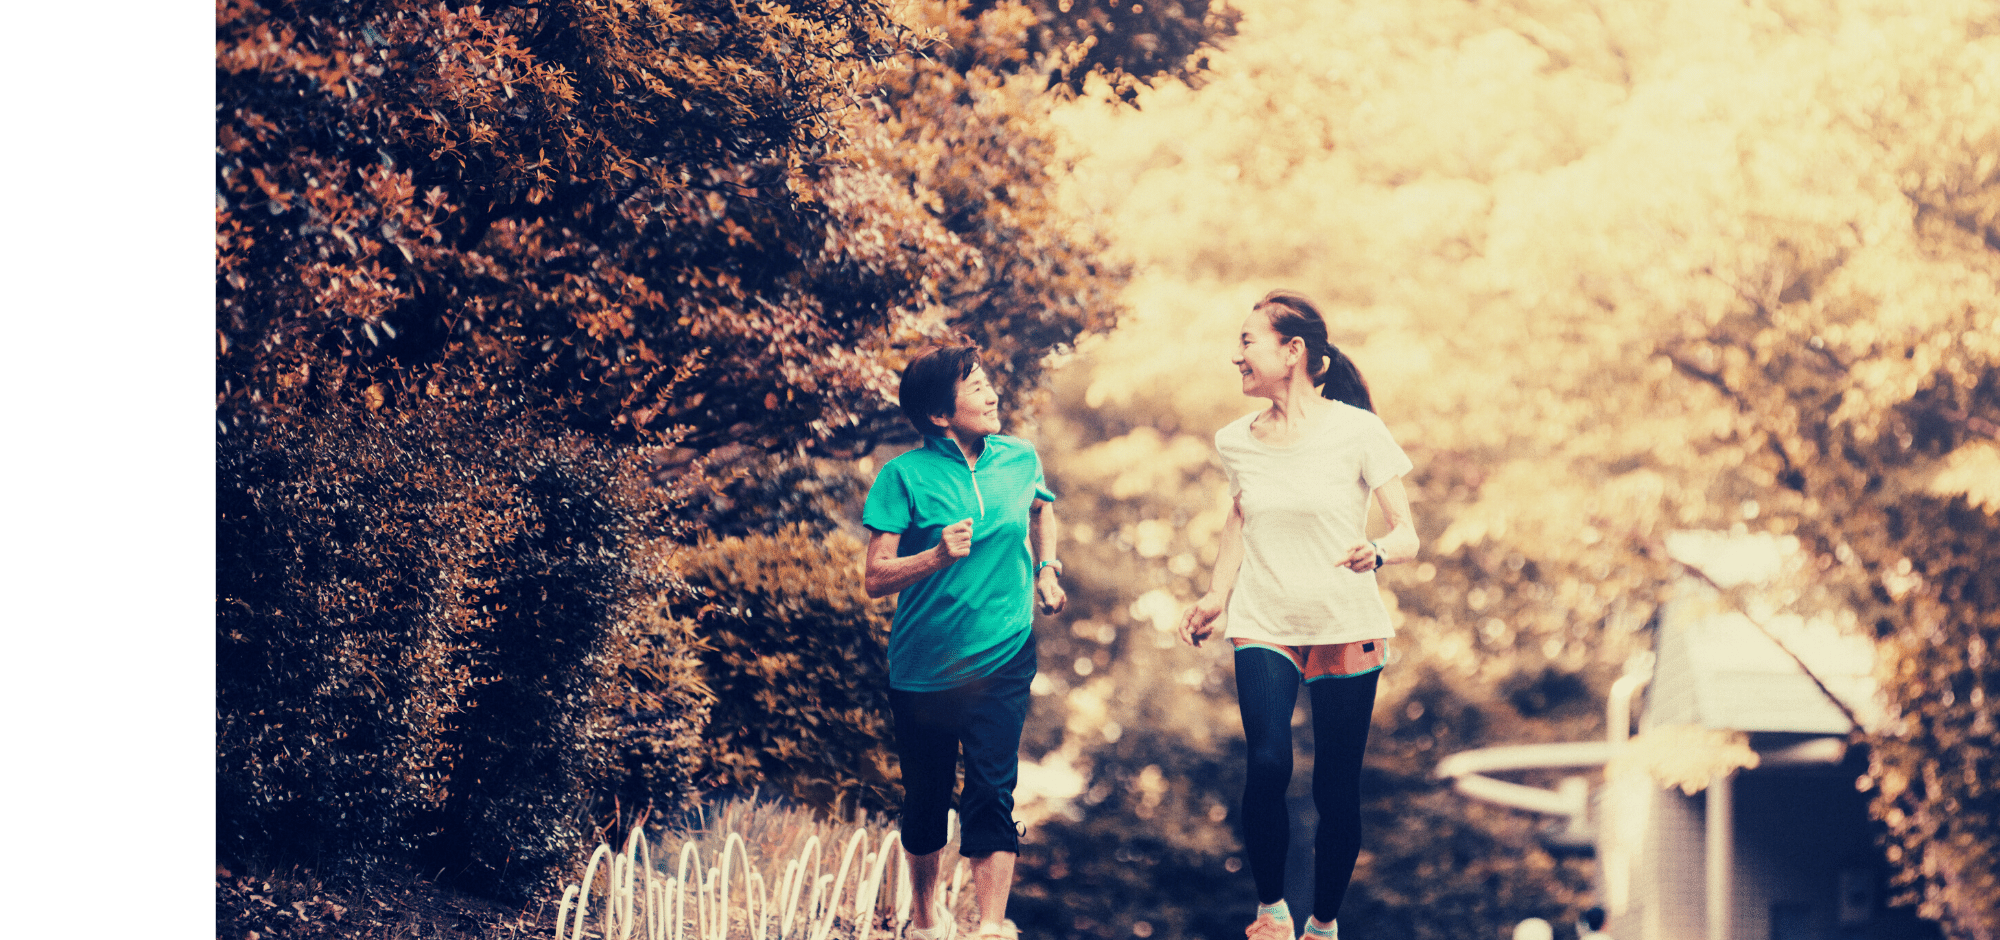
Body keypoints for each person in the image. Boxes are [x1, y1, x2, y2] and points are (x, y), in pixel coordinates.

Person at [1179, 290, 1418, 940]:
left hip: (1346, 625)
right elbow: (1240, 515)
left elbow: (1407, 534)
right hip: (1264, 621)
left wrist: (1376, 551)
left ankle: (1323, 923)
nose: (1237, 356)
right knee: (1267, 761)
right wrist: (1216, 594)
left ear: (1294, 352)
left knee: (1335, 791)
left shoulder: (1358, 430)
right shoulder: (1236, 441)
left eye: (1248, 341)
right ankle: (1272, 912)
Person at [862, 345, 1067, 940]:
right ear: (939, 415)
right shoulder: (902, 476)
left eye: (987, 383)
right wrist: (934, 554)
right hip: (925, 667)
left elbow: (1041, 509)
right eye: (975, 387)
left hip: (1004, 652)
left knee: (991, 788)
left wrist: (1047, 571)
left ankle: (992, 926)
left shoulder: (1019, 457)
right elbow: (875, 578)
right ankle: (927, 922)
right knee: (926, 799)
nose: (992, 394)